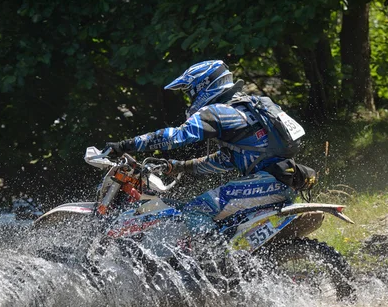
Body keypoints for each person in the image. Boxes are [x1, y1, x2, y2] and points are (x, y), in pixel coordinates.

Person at [105, 60, 315, 237]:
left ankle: (209, 266)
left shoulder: (218, 112)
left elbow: (175, 137)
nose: (190, 98)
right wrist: (176, 167)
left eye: (191, 92)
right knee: (216, 218)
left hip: (266, 183)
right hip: (280, 181)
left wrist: (125, 146)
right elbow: (225, 160)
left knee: (195, 209)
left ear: (203, 86)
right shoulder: (246, 108)